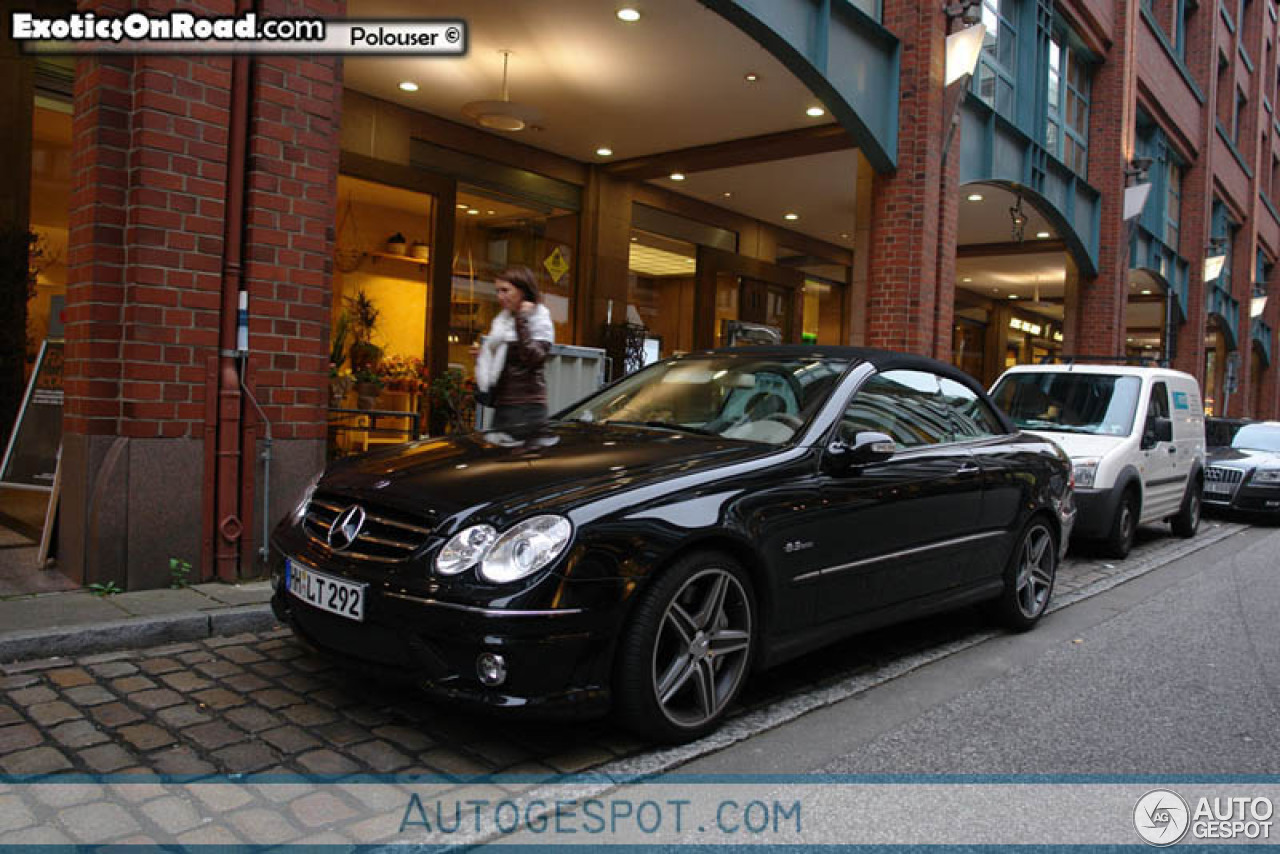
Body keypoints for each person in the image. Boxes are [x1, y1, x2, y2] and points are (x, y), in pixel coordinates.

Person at [474, 266, 555, 431]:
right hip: (503, 408)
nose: (500, 296)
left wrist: (522, 321)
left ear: (523, 290)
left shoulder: (539, 318)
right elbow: (506, 364)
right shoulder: (501, 321)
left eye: (505, 290)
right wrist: (484, 357)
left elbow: (533, 357)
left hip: (527, 408)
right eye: (497, 291)